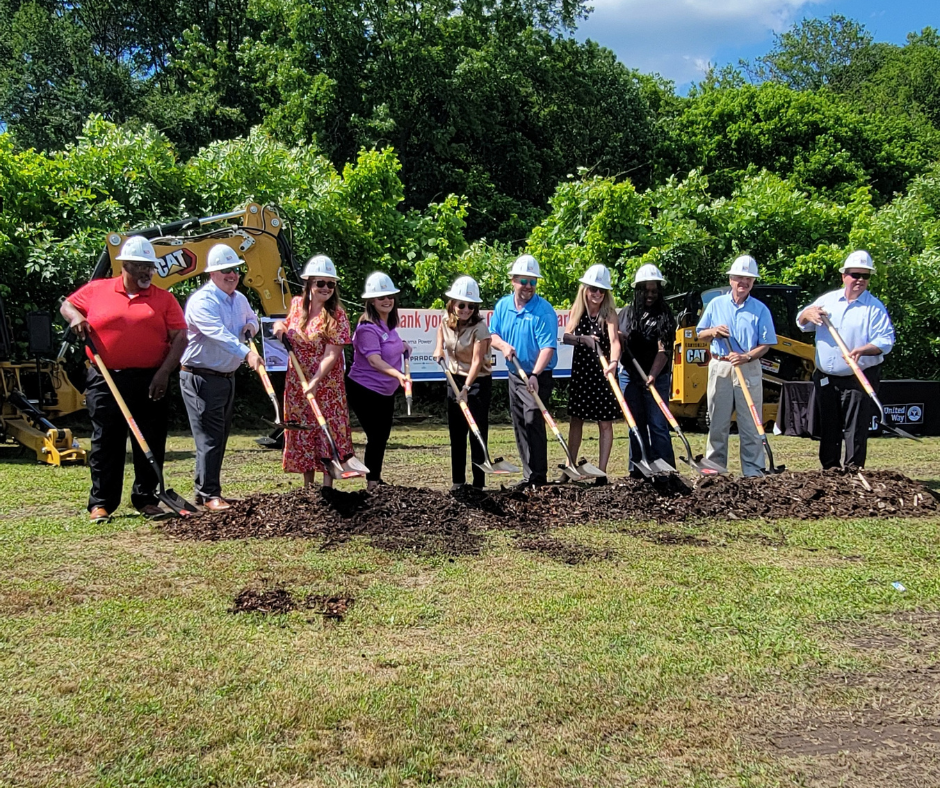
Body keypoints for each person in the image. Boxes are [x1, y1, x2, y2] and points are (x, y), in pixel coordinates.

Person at [60, 236, 188, 522]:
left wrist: (164, 373)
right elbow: (67, 305)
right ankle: (101, 503)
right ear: (125, 266)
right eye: (140, 266)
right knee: (106, 440)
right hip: (105, 377)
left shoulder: (163, 298)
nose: (147, 272)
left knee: (150, 439)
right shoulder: (98, 290)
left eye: (150, 267)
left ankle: (147, 498)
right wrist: (75, 318)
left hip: (150, 378)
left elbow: (180, 337)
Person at [179, 244, 263, 511]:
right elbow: (218, 334)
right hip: (200, 377)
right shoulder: (203, 301)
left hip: (226, 376)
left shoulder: (239, 299)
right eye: (226, 270)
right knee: (210, 436)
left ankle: (206, 491)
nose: (232, 275)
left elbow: (253, 319)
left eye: (236, 270)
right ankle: (209, 493)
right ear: (212, 273)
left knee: (219, 434)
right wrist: (246, 354)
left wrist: (252, 325)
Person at [797, 250, 895, 469]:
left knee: (855, 428)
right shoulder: (827, 301)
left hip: (857, 377)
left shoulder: (874, 308)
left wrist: (864, 349)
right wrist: (808, 315)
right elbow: (801, 320)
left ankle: (853, 471)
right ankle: (830, 470)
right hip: (825, 378)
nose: (859, 280)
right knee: (829, 426)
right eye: (855, 274)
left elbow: (885, 341)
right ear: (844, 276)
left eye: (865, 275)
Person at [272, 255, 354, 488]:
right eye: (320, 283)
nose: (326, 288)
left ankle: (328, 486)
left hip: (327, 387)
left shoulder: (337, 315)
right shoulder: (298, 305)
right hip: (297, 383)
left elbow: (332, 354)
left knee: (325, 431)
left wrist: (316, 380)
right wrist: (280, 327)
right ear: (309, 283)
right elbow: (286, 325)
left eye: (330, 284)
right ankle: (308, 487)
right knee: (303, 431)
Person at [695, 255, 777, 477]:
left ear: (753, 282)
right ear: (731, 279)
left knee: (750, 423)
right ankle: (714, 470)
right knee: (717, 423)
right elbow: (700, 333)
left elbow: (766, 344)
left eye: (749, 279)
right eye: (740, 278)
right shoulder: (716, 304)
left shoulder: (760, 309)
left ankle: (753, 471)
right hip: (720, 366)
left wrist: (747, 357)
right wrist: (714, 332)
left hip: (748, 368)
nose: (744, 282)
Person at [489, 254, 558, 488]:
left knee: (532, 419)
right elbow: (493, 335)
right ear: (513, 281)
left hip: (538, 375)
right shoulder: (502, 306)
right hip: (514, 375)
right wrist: (503, 346)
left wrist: (535, 375)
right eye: (524, 281)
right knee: (519, 422)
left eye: (533, 282)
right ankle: (529, 475)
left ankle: (539, 476)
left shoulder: (543, 311)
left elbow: (548, 348)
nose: (529, 287)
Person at [346, 272, 410, 490]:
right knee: (376, 436)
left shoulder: (388, 326)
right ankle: (372, 483)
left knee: (381, 437)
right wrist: (399, 375)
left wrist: (404, 346)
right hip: (364, 389)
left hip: (385, 391)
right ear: (371, 301)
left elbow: (391, 344)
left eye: (390, 296)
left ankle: (375, 479)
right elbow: (374, 361)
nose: (387, 300)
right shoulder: (366, 328)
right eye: (381, 297)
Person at [432, 276, 492, 490]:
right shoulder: (446, 320)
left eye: (470, 305)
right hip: (453, 378)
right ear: (453, 304)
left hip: (477, 383)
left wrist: (466, 388)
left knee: (476, 432)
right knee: (456, 433)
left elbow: (477, 361)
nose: (465, 309)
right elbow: (441, 332)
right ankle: (458, 482)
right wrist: (439, 348)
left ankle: (479, 484)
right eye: (462, 305)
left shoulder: (480, 329)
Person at [561, 264, 621, 482]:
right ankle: (570, 468)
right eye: (593, 289)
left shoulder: (609, 314)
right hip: (582, 372)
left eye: (601, 290)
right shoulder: (578, 311)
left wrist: (613, 362)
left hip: (603, 373)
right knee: (576, 420)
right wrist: (583, 340)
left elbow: (614, 341)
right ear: (585, 289)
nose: (597, 294)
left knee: (604, 423)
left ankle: (602, 472)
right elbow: (566, 337)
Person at [618, 264, 678, 476]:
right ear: (638, 291)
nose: (650, 295)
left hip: (657, 376)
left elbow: (664, 350)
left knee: (658, 424)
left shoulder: (665, 316)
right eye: (646, 291)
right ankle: (638, 469)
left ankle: (666, 470)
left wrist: (652, 375)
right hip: (629, 375)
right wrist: (620, 338)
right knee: (636, 425)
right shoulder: (626, 313)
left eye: (654, 291)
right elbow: (617, 339)